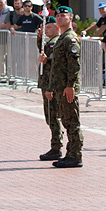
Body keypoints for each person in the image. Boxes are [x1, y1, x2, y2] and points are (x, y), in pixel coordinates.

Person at [45, 6, 83, 168]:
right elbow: (57, 67)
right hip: (60, 87)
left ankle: (75, 155)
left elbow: (74, 65)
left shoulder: (70, 39)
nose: (60, 18)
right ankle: (69, 153)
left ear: (70, 19)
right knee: (67, 121)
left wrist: (70, 86)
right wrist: (52, 87)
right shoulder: (61, 38)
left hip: (67, 88)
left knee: (72, 121)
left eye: (63, 16)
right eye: (58, 16)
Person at [36, 16, 64, 159]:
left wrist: (50, 87)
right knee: (50, 116)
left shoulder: (56, 43)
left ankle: (56, 146)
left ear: (56, 28)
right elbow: (43, 51)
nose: (46, 29)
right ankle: (55, 144)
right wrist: (40, 38)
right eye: (44, 27)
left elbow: (54, 62)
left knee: (53, 116)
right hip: (47, 83)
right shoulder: (49, 42)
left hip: (51, 84)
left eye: (48, 27)